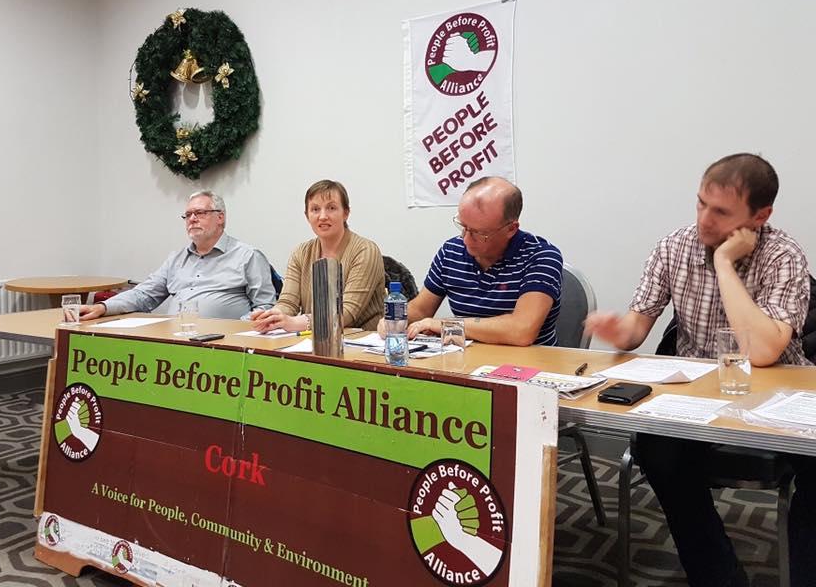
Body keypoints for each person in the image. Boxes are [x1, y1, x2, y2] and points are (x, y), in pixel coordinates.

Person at [585, 153, 814, 587]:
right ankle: (719, 577)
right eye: (700, 204)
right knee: (658, 452)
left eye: (721, 212)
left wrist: (725, 264)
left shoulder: (783, 255)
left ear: (760, 216)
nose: (704, 220)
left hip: (776, 396)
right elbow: (636, 328)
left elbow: (761, 352)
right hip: (698, 395)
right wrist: (620, 331)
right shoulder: (674, 246)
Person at [380, 176, 563, 345]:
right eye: (463, 226)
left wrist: (446, 325)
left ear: (511, 229)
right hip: (467, 359)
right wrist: (395, 319)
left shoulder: (541, 257)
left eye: (479, 233)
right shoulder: (451, 251)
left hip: (527, 364)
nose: (466, 239)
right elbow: (421, 310)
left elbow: (521, 330)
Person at [79, 190, 275, 321]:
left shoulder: (248, 256)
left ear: (220, 217)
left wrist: (234, 330)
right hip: (176, 340)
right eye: (188, 215)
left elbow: (265, 306)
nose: (192, 219)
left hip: (224, 346)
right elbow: (144, 294)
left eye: (200, 213)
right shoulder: (176, 259)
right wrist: (103, 307)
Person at [251, 180, 384, 332]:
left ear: (346, 213)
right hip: (312, 340)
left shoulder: (365, 250)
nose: (322, 216)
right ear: (307, 216)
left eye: (331, 208)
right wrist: (272, 317)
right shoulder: (300, 253)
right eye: (315, 209)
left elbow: (346, 313)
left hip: (359, 340)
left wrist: (294, 322)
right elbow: (288, 303)